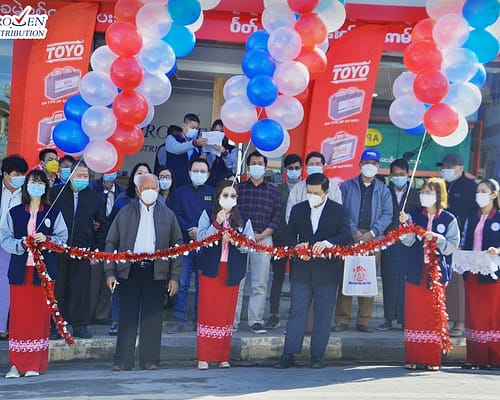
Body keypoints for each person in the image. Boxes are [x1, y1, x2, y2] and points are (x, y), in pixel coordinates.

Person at [105, 174, 183, 371]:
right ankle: (123, 360)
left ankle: (150, 360)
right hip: (129, 271)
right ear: (138, 190)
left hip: (156, 271)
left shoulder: (168, 215)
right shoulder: (124, 213)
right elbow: (110, 242)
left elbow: (178, 246)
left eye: (154, 188)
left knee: (153, 318)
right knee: (127, 317)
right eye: (146, 188)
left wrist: (174, 276)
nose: (151, 191)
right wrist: (109, 272)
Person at [275, 173, 352, 369]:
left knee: (324, 314)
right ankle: (289, 354)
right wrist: (298, 247)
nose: (312, 196)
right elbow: (288, 233)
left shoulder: (339, 211)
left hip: (327, 270)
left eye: (316, 193)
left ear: (326, 192)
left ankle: (317, 356)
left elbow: (345, 236)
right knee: (297, 312)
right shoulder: (298, 209)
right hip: (301, 269)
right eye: (309, 192)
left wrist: (328, 243)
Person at [1, 169, 68, 378]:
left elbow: (62, 240)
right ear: (26, 186)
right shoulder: (14, 212)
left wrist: (46, 240)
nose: (35, 186)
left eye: (39, 182)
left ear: (45, 187)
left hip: (44, 274)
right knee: (20, 317)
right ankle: (16, 364)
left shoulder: (53, 213)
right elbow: (4, 239)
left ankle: (34, 363)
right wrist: (21, 243)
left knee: (39, 318)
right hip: (20, 272)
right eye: (32, 182)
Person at [399, 177, 460, 371]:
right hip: (416, 269)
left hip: (437, 272)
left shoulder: (449, 219)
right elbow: (407, 241)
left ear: (439, 195)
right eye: (423, 191)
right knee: (415, 314)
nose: (425, 195)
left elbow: (451, 246)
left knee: (433, 315)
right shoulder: (413, 214)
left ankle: (433, 359)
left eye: (430, 192)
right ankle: (413, 357)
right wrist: (405, 226)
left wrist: (438, 238)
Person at [196, 180, 254, 370]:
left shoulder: (243, 218)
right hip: (211, 270)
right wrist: (217, 223)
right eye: (225, 195)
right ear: (218, 196)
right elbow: (201, 240)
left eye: (232, 196)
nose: (229, 199)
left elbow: (250, 247)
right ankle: (203, 357)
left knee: (226, 314)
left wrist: (236, 240)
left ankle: (223, 357)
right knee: (207, 312)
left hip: (231, 271)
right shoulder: (208, 213)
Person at [333, 149, 393, 333]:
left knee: (368, 280)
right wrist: (353, 231)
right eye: (367, 162)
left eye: (374, 163)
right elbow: (341, 209)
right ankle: (342, 320)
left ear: (378, 167)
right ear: (360, 165)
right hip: (350, 239)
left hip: (372, 240)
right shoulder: (347, 186)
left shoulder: (383, 189)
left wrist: (373, 232)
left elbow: (388, 214)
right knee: (346, 278)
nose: (370, 166)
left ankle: (364, 321)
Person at [50, 161, 108, 339]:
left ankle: (80, 325)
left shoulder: (95, 197)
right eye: (78, 175)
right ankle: (56, 325)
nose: (81, 178)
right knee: (58, 289)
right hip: (58, 248)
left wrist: (96, 250)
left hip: (82, 250)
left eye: (85, 176)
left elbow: (102, 225)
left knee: (81, 288)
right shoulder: (55, 193)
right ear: (70, 175)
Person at [234, 151, 281, 334]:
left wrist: (262, 235)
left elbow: (277, 217)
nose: (256, 166)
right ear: (247, 167)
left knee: (260, 282)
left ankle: (256, 320)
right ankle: (233, 321)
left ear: (265, 166)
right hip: (241, 238)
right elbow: (234, 213)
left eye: (259, 163)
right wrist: (244, 233)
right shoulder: (239, 188)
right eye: (253, 163)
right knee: (237, 281)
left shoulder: (274, 191)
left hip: (264, 238)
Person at [169, 158, 215, 333]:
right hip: (185, 244)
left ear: (208, 174)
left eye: (203, 171)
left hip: (205, 245)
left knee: (203, 285)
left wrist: (201, 232)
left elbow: (215, 217)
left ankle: (199, 321)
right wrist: (191, 230)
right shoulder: (180, 192)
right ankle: (179, 319)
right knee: (182, 282)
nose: (199, 174)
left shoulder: (213, 192)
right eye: (196, 171)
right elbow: (175, 214)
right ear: (189, 173)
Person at [107, 162, 151, 335]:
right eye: (138, 173)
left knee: (142, 291)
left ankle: (139, 323)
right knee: (120, 288)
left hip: (147, 253)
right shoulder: (122, 198)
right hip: (124, 252)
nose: (141, 176)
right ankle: (116, 321)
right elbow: (112, 224)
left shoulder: (158, 200)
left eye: (145, 173)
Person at [437, 153, 478, 338]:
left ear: (460, 168)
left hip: (460, 243)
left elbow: (475, 216)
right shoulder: (440, 185)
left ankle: (459, 322)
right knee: (442, 280)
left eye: (449, 167)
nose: (445, 170)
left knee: (457, 282)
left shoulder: (470, 187)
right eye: (443, 167)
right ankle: (442, 319)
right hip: (438, 240)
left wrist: (465, 242)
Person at [461, 179, 500, 369]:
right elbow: (464, 239)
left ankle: (494, 358)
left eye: (484, 191)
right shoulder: (472, 216)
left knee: (492, 315)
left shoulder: (499, 217)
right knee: (473, 314)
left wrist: (497, 250)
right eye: (478, 191)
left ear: (494, 195)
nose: (479, 195)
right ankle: (475, 358)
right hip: (472, 272)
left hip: (492, 274)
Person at [378, 158, 420, 331]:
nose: (398, 177)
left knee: (405, 281)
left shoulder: (415, 194)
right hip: (389, 241)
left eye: (402, 174)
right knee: (389, 279)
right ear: (390, 174)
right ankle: (388, 318)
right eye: (395, 174)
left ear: (408, 174)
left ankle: (404, 319)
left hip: (409, 243)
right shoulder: (385, 191)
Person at [265, 154, 302, 329]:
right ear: (285, 170)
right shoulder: (278, 189)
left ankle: (296, 313)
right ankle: (274, 313)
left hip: (299, 241)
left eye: (297, 167)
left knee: (298, 279)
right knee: (278, 278)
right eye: (291, 168)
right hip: (279, 238)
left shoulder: (307, 189)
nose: (294, 171)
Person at [88, 172, 126, 328]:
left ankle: (102, 315)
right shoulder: (92, 187)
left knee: (109, 279)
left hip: (115, 240)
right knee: (93, 278)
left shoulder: (122, 191)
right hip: (96, 237)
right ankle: (88, 314)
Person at [0, 155, 28, 342]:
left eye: (22, 174)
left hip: (13, 245)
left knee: (6, 287)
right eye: (16, 174)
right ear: (5, 174)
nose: (20, 177)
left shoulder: (26, 194)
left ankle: (3, 327)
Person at [285, 151, 342, 223]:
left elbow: (338, 212)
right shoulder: (297, 188)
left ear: (323, 166)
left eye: (317, 164)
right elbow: (290, 214)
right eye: (311, 164)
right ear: (306, 167)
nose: (314, 166)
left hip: (327, 232)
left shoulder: (333, 188)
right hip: (301, 232)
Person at [165, 114, 208, 187]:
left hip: (191, 185)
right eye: (192, 127)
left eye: (197, 129)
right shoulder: (171, 138)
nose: (194, 130)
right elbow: (178, 149)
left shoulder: (198, 145)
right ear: (184, 125)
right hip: (173, 183)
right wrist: (194, 143)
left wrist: (202, 158)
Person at [205, 119, 238, 186]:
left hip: (224, 183)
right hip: (208, 182)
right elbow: (208, 166)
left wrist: (224, 153)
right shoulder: (206, 147)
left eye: (222, 131)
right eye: (216, 131)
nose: (219, 134)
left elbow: (231, 167)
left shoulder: (232, 149)